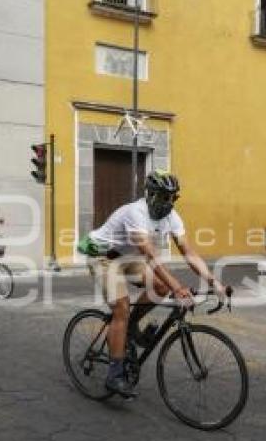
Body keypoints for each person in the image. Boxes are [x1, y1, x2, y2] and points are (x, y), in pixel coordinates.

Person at [78, 170, 230, 398]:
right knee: (122, 307)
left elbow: (188, 252)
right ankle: (114, 375)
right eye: (163, 196)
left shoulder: (172, 217)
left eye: (173, 198)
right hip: (103, 257)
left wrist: (214, 282)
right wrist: (178, 287)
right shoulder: (135, 212)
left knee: (160, 287)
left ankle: (129, 327)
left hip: (127, 257)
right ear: (150, 194)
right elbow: (150, 255)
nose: (168, 203)